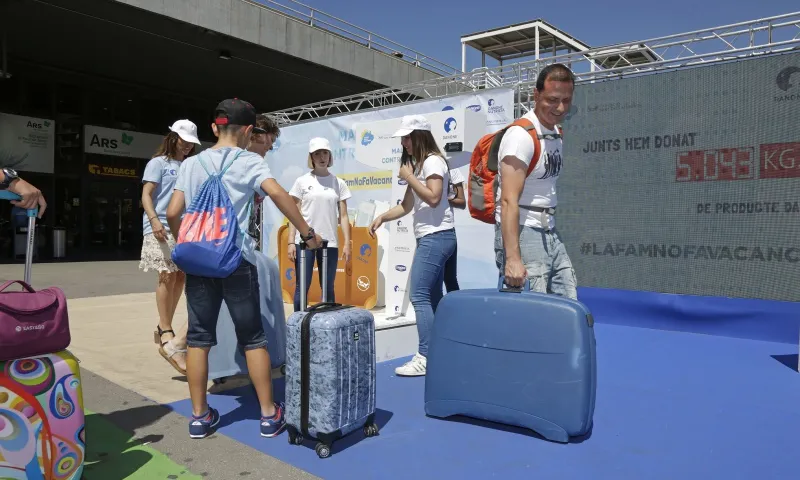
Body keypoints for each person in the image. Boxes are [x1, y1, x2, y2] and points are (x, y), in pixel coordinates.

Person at [166, 98, 322, 440]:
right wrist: (308, 234)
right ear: (249, 130)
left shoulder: (192, 164)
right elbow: (279, 194)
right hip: (235, 260)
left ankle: (199, 416)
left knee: (198, 339)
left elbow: (173, 210)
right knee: (253, 338)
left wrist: (186, 242)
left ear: (213, 128)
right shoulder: (249, 161)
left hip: (199, 262)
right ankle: (268, 415)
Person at [369, 115, 456, 377]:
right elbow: (407, 206)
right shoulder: (422, 165)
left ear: (420, 135)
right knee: (433, 297)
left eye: (407, 137)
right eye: (403, 138)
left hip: (436, 237)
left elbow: (433, 197)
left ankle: (426, 356)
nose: (404, 142)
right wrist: (383, 216)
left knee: (419, 296)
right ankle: (442, 350)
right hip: (436, 237)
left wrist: (408, 176)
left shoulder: (431, 162)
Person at [494, 63, 577, 299]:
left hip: (549, 231)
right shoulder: (520, 136)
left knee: (568, 307)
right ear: (536, 94)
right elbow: (508, 201)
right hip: (523, 233)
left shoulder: (555, 133)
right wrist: (512, 258)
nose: (560, 107)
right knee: (532, 316)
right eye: (552, 99)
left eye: (566, 100)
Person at [140, 120, 201, 376]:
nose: (187, 145)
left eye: (191, 142)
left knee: (179, 277)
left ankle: (165, 328)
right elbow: (146, 194)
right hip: (160, 227)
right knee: (165, 275)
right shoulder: (159, 163)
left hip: (183, 228)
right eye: (183, 140)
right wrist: (154, 220)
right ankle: (166, 329)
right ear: (173, 137)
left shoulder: (189, 165)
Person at [287, 137, 352, 311]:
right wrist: (291, 241)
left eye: (325, 153)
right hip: (305, 241)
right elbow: (294, 213)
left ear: (330, 156)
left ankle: (327, 327)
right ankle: (298, 325)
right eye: (317, 154)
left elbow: (344, 216)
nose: (322, 157)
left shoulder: (339, 183)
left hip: (329, 242)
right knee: (303, 285)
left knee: (328, 287)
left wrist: (347, 243)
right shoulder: (302, 181)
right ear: (311, 157)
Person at [443, 167, 465, 292]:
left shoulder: (452, 169)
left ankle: (456, 310)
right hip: (424, 231)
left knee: (449, 277)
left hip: (446, 230)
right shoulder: (417, 167)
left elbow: (462, 202)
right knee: (430, 281)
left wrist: (440, 198)